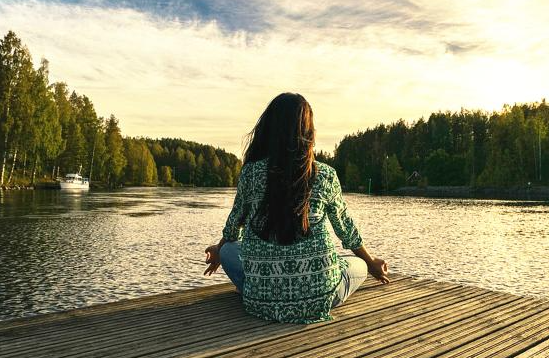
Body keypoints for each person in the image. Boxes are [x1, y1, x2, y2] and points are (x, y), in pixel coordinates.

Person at [204, 93, 389, 324]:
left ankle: (262, 288)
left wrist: (219, 249)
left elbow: (234, 226)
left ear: (269, 130)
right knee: (358, 264)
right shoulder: (325, 175)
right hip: (319, 298)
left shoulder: (250, 173)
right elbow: (346, 231)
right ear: (308, 132)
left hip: (260, 301)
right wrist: (371, 263)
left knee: (230, 250)